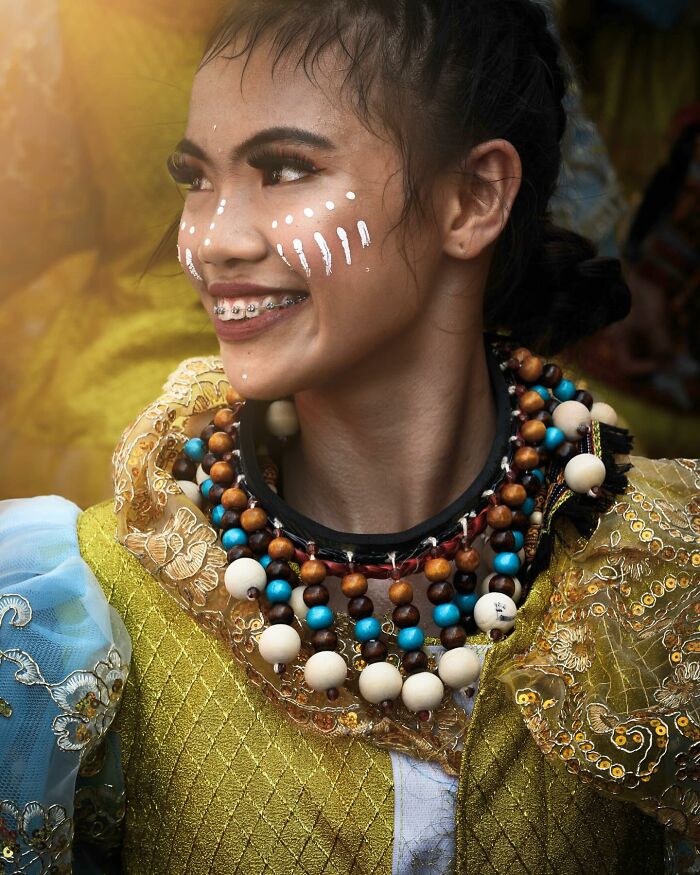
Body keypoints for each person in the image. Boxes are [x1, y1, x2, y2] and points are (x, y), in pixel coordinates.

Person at [1, 2, 698, 873]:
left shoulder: (660, 577)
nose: (211, 241)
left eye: (287, 170)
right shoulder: (94, 610)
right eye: (196, 180)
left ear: (475, 198)